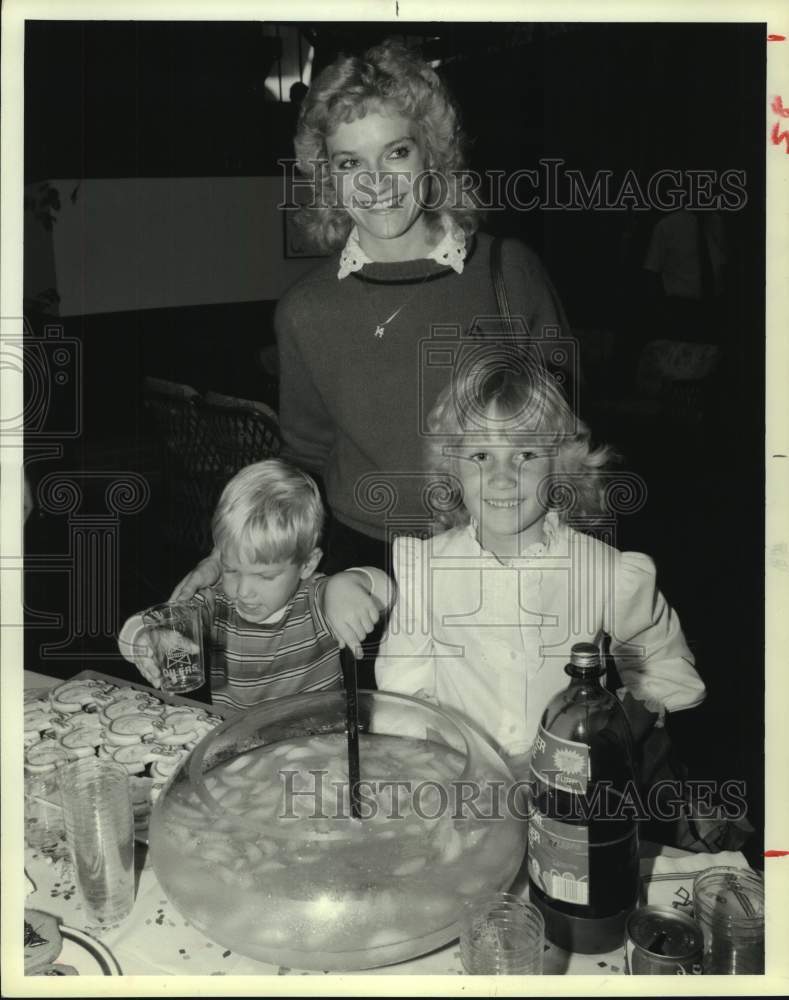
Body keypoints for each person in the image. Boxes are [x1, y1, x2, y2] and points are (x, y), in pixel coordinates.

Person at [170, 39, 571, 665]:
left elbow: (567, 445)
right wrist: (237, 551)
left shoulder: (508, 273)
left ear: (431, 156)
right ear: (327, 175)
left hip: (501, 561)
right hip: (362, 579)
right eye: (351, 162)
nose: (377, 183)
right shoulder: (305, 310)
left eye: (397, 152)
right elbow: (301, 458)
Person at [374, 356, 706, 775]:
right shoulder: (425, 570)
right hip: (461, 786)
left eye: (525, 453)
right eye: (480, 454)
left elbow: (664, 665)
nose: (502, 476)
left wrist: (611, 740)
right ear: (451, 466)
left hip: (571, 793)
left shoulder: (605, 572)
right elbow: (402, 694)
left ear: (560, 463)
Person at [119, 459, 391, 712]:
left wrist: (349, 583)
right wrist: (145, 639)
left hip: (319, 745)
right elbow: (138, 625)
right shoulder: (216, 605)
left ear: (307, 565)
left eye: (265, 577)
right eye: (231, 569)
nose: (242, 591)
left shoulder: (317, 601)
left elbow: (388, 591)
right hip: (243, 747)